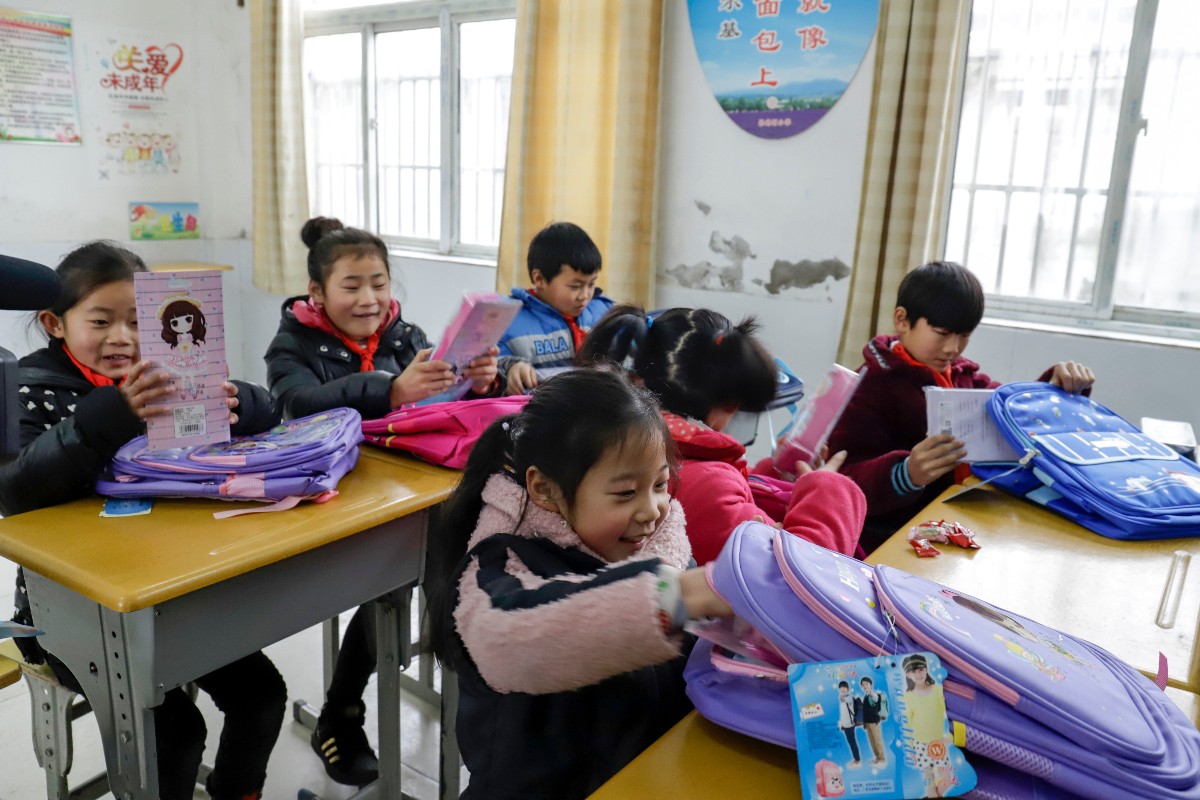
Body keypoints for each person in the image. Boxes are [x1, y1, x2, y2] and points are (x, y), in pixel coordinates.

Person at [0, 241, 286, 800]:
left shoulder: (171, 372)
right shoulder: (27, 388)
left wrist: (243, 404)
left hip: (176, 588)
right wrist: (111, 415)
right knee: (176, 733)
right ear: (55, 323)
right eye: (100, 321)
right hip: (70, 613)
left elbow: (265, 419)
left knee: (261, 695)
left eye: (137, 321)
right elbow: (15, 492)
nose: (123, 338)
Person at [263, 216, 504, 785]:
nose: (369, 299)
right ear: (317, 292)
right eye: (351, 286)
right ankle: (342, 713)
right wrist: (389, 390)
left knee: (451, 567)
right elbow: (297, 406)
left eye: (379, 282)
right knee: (387, 589)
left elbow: (437, 410)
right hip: (334, 503)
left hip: (403, 495)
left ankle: (472, 686)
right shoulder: (291, 343)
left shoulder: (405, 336)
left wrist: (478, 381)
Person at [425, 368, 734, 799]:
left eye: (660, 484)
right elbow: (522, 639)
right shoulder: (496, 570)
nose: (652, 510)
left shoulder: (663, 550)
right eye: (625, 493)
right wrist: (676, 597)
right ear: (545, 489)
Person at [826, 261, 1096, 552]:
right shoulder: (868, 386)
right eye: (942, 333)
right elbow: (837, 478)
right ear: (902, 320)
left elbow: (1011, 412)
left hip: (959, 521)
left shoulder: (963, 376)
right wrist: (905, 474)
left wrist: (1055, 386)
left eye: (964, 335)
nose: (953, 349)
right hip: (894, 540)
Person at [577, 305, 865, 565]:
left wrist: (774, 473)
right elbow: (799, 576)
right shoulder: (708, 484)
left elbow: (723, 506)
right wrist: (829, 489)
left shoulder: (627, 441)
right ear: (727, 406)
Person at [498, 221, 615, 394]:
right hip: (538, 408)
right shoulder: (507, 321)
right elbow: (485, 374)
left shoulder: (604, 313)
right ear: (539, 279)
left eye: (591, 284)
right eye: (575, 286)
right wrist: (509, 369)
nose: (584, 295)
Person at [902, 654, 952, 797]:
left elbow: (947, 715)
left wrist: (949, 737)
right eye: (914, 671)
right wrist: (910, 748)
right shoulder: (909, 696)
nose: (918, 674)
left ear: (926, 669)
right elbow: (907, 724)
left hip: (938, 743)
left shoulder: (937, 689)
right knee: (929, 784)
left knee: (946, 780)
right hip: (920, 744)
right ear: (908, 674)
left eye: (921, 669)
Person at [860, 675, 889, 765]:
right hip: (868, 722)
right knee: (872, 741)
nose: (865, 686)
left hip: (874, 722)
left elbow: (876, 699)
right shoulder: (866, 695)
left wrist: (873, 694)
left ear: (871, 685)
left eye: (866, 684)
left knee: (877, 741)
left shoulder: (873, 694)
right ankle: (877, 758)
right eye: (863, 685)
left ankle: (882, 759)